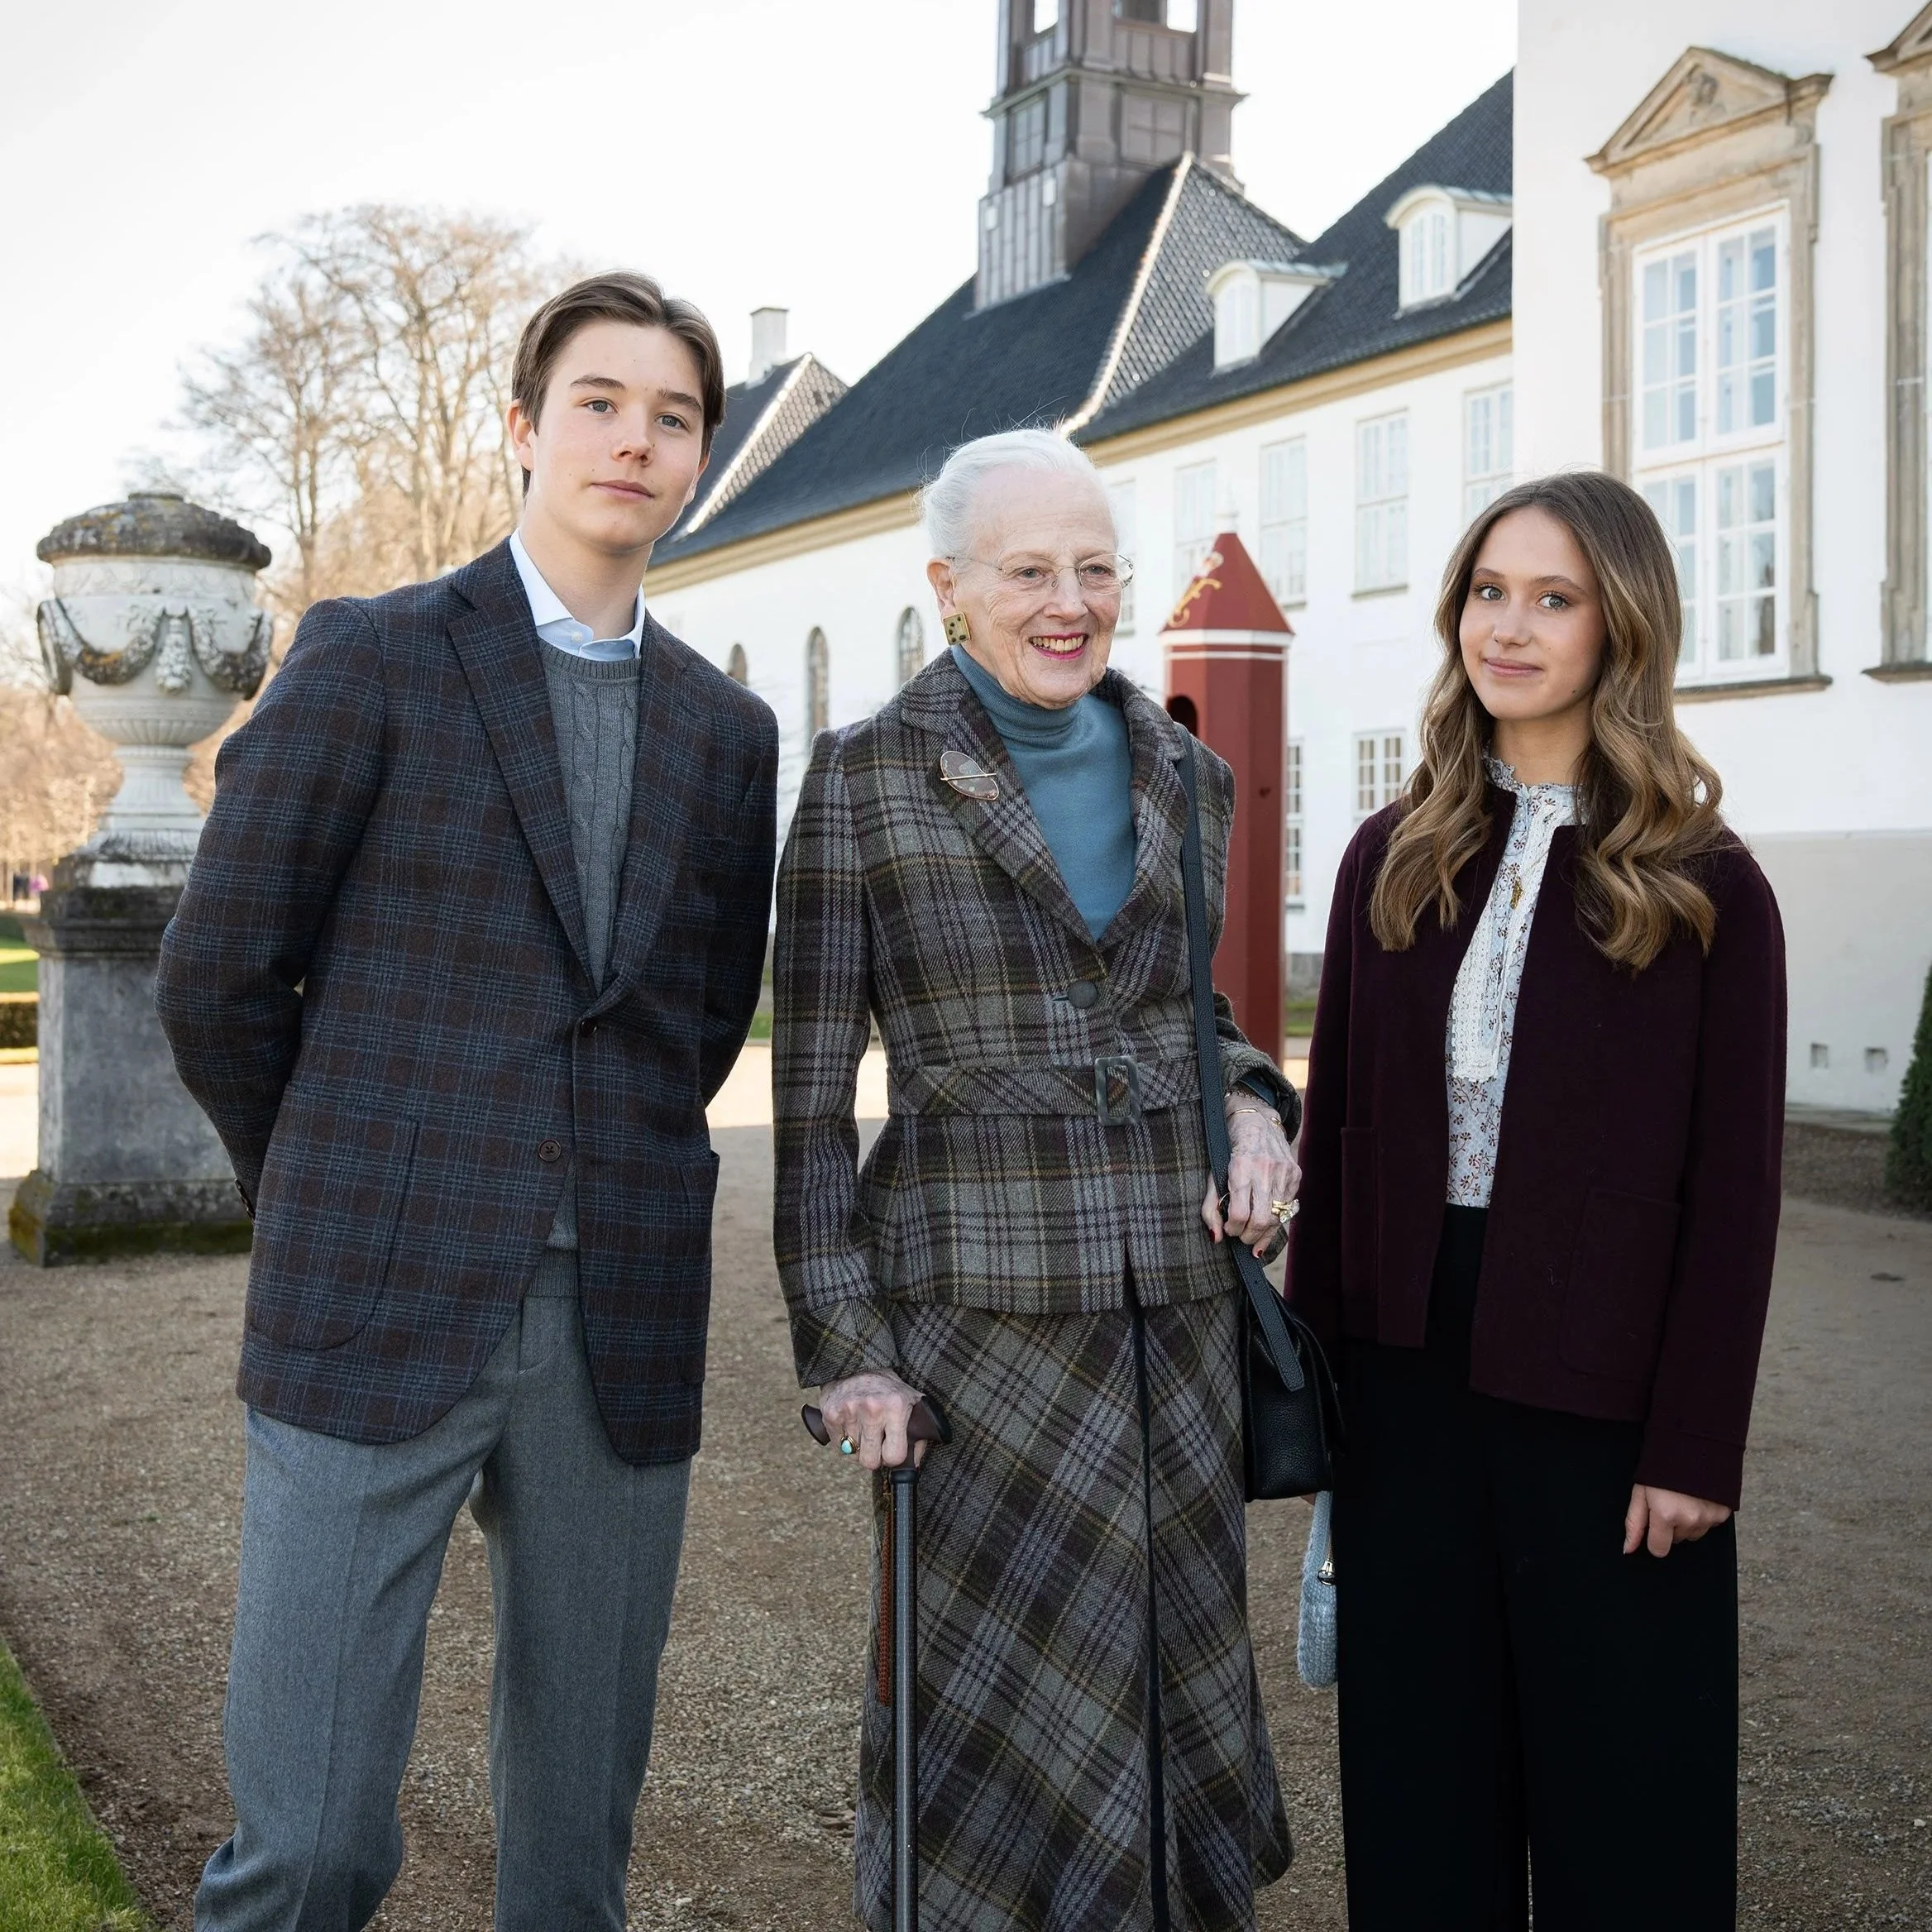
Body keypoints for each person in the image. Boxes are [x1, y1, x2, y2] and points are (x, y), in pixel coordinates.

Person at [155, 272, 777, 1932]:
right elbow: (216, 974)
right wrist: (322, 1178)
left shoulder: (729, 732)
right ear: (520, 426)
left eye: (672, 417)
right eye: (599, 401)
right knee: (311, 1847)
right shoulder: (373, 658)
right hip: (368, 1295)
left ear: (701, 456)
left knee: (573, 1860)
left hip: (618, 1320)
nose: (634, 442)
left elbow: (699, 1020)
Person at [773, 428, 1303, 1932]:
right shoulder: (865, 781)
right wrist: (847, 1355)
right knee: (996, 1725)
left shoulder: (1186, 769)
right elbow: (809, 1105)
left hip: (1173, 1326)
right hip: (976, 1340)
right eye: (1027, 572)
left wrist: (1262, 1107)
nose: (1067, 602)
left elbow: (1185, 1018)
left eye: (1093, 569)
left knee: (1176, 1689)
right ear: (949, 587)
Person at [1287, 471, 1786, 1930]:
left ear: (1619, 624)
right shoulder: (1392, 855)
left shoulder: (1707, 887)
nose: (1508, 628)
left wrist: (1695, 1446)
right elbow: (1350, 1130)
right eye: (1489, 592)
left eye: (1552, 598)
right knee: (1418, 1791)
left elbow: (1737, 1191)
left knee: (1627, 1803)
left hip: (1612, 1400)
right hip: (1406, 1383)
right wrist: (1319, 1406)